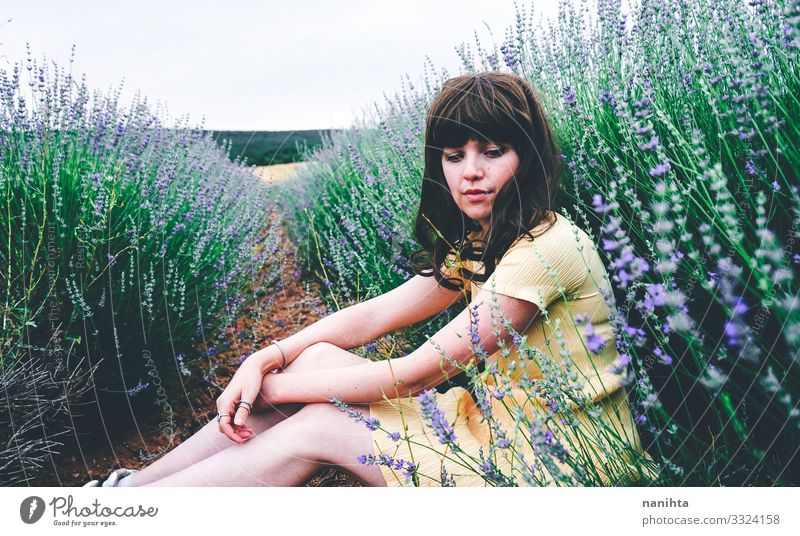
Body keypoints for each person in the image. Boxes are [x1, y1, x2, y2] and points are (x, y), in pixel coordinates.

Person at [84, 71, 656, 488]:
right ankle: (130, 494)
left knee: (319, 425)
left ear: (526, 158)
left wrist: (271, 389)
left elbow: (414, 374)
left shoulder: (545, 249)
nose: (471, 171)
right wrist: (269, 357)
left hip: (553, 468)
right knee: (314, 361)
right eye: (454, 155)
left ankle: (133, 517)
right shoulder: (489, 242)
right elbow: (375, 316)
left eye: (494, 151)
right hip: (491, 428)